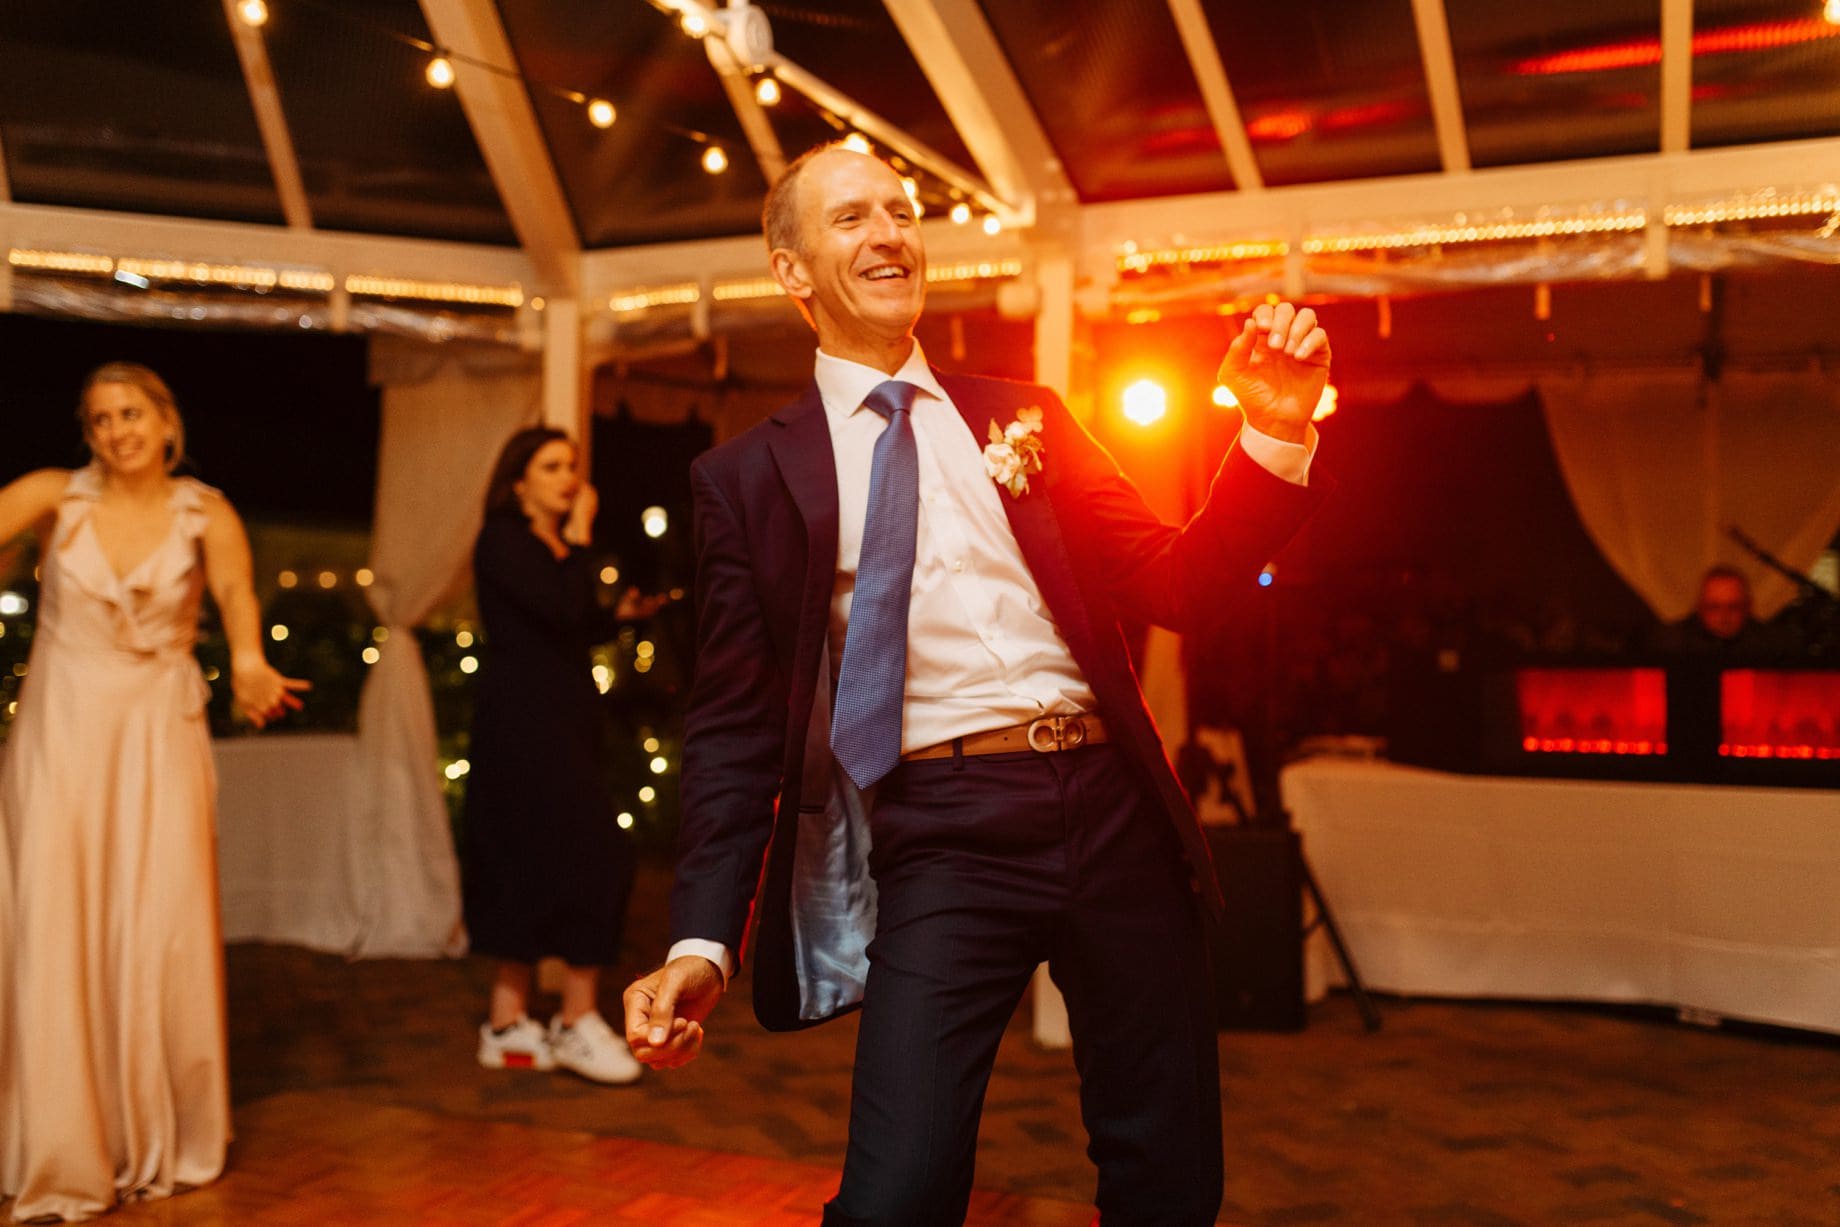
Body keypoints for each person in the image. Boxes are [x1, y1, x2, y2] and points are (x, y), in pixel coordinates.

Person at [623, 142, 1332, 1225]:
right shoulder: (748, 478)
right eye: (853, 218)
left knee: (1167, 1175)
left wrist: (1274, 433)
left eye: (902, 213)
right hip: (945, 829)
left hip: (1114, 810)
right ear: (791, 269)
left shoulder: (1025, 415)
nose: (890, 234)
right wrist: (697, 943)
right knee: (896, 1194)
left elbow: (1180, 584)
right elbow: (729, 726)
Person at [0, 362, 308, 1222]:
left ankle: (146, 1131)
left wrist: (248, 663)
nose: (116, 431)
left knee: (156, 916)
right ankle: (55, 1134)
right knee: (56, 911)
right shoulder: (50, 495)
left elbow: (238, 596)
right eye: (99, 420)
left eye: (130, 414)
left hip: (157, 731)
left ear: (165, 422)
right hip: (62, 728)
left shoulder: (205, 510)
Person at [462, 427, 660, 1085]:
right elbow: (560, 603)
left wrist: (627, 611)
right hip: (518, 723)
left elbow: (581, 617)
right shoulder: (504, 540)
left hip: (567, 719)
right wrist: (583, 533)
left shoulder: (561, 550)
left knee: (566, 852)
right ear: (518, 480)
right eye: (551, 466)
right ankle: (559, 1018)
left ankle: (513, 1020)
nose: (568, 477)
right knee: (569, 851)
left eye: (571, 466)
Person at [1653, 565, 1792, 657]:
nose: (1724, 616)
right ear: (1700, 607)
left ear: (1747, 607)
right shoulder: (1672, 644)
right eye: (1714, 607)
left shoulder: (1773, 646)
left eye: (1733, 607)